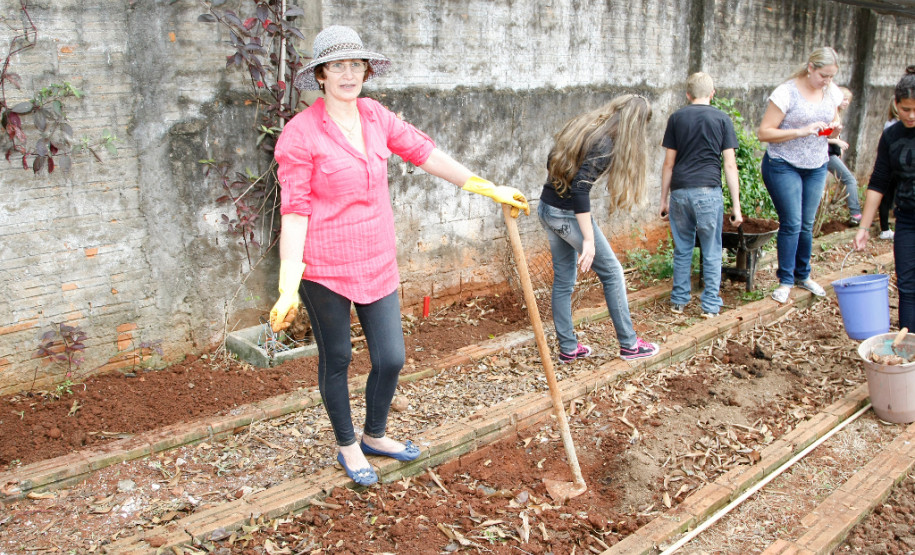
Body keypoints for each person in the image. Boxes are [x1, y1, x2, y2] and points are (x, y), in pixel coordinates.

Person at [270, 26, 529, 487]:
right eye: (337, 66)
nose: (349, 74)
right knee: (339, 357)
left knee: (391, 357)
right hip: (324, 268)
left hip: (376, 259)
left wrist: (485, 186)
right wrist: (289, 283)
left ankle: (375, 434)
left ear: (365, 71)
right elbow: (295, 212)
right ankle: (347, 444)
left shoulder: (373, 116)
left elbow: (424, 152)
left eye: (356, 65)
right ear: (321, 75)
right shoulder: (300, 135)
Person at [538, 94, 660, 363]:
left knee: (564, 281)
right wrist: (589, 241)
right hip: (566, 214)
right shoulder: (606, 144)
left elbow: (551, 158)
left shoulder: (585, 127)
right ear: (635, 125)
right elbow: (581, 189)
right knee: (613, 272)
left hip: (547, 208)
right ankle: (629, 345)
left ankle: (568, 348)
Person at [757, 47, 843, 304]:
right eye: (823, 75)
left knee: (806, 223)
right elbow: (764, 132)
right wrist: (801, 131)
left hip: (816, 164)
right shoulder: (786, 93)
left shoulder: (832, 91)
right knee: (792, 222)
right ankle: (784, 281)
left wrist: (834, 130)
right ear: (811, 67)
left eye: (831, 76)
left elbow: (834, 124)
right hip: (783, 164)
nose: (827, 81)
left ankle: (802, 275)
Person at [659, 72, 743, 318]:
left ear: (688, 94)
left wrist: (664, 199)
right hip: (709, 191)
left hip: (681, 191)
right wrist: (736, 207)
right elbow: (730, 165)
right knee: (712, 250)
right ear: (712, 93)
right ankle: (709, 306)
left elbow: (668, 164)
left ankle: (678, 302)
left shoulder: (676, 118)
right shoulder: (722, 119)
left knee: (683, 249)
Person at [853, 65, 915, 332]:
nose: (911, 115)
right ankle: (910, 347)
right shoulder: (891, 136)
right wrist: (864, 227)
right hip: (908, 219)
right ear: (896, 105)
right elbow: (878, 183)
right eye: (905, 109)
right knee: (907, 285)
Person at [826, 86, 862, 225]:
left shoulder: (837, 115)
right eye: (844, 99)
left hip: (830, 154)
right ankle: (856, 214)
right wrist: (837, 141)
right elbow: (817, 137)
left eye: (848, 100)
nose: (846, 102)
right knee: (850, 180)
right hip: (825, 155)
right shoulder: (829, 114)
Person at [878, 97, 900, 240]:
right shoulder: (894, 126)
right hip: (892, 167)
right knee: (887, 198)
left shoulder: (889, 123)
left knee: (889, 198)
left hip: (893, 167)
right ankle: (885, 229)